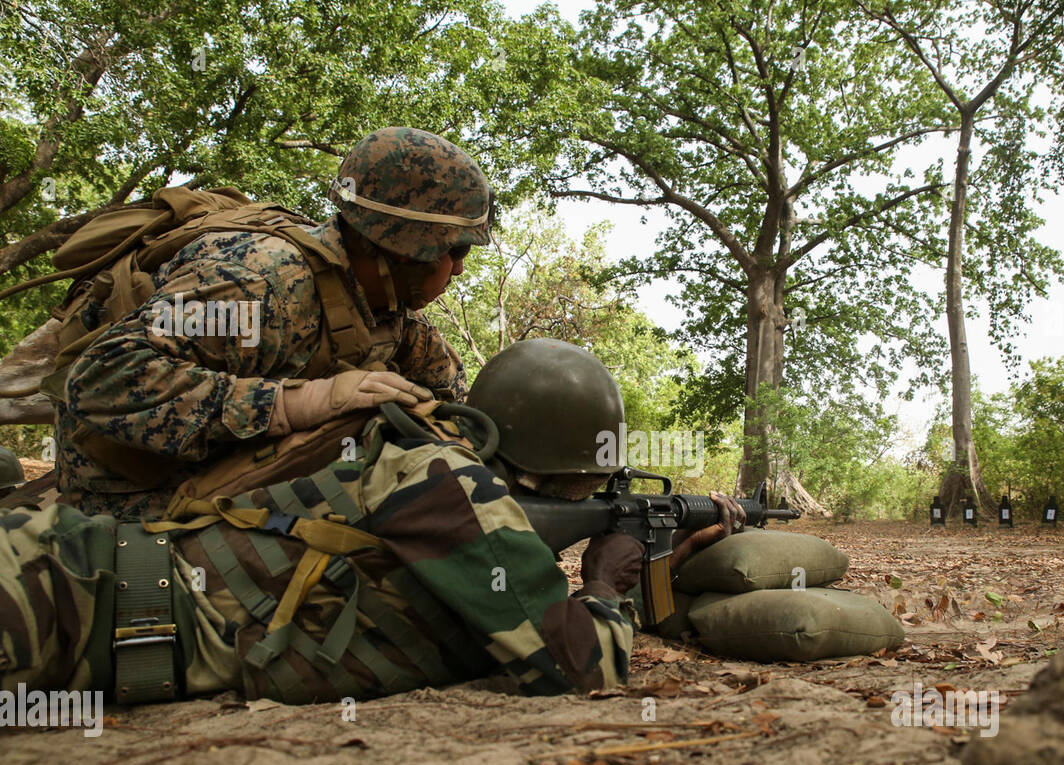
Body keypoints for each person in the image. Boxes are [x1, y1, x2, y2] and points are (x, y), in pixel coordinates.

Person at [0, 341, 742, 705]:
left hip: (97, 606)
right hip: (71, 594)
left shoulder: (431, 463)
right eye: (599, 479)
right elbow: (586, 668)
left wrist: (659, 567)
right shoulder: (453, 488)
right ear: (565, 466)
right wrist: (609, 581)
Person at [54, 127, 493, 519]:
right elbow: (99, 378)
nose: (456, 270)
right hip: (130, 500)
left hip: (228, 477)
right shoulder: (260, 287)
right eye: (457, 251)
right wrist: (297, 403)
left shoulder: (387, 310)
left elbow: (463, 403)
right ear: (405, 250)